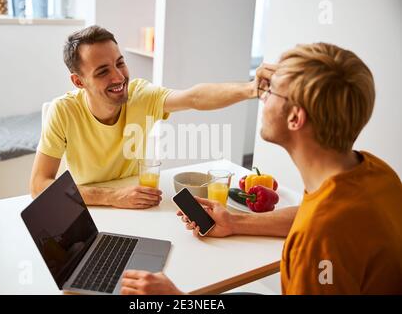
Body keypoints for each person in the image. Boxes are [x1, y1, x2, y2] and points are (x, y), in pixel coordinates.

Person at [120, 42, 402, 295]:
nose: (261, 97)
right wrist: (235, 222)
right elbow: (312, 214)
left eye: (269, 90)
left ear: (295, 117)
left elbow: (320, 227)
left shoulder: (317, 242)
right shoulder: (376, 172)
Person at [30, 25, 273, 209]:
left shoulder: (140, 95)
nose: (118, 77)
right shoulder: (63, 111)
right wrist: (112, 197)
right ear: (78, 81)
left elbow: (193, 98)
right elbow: (39, 185)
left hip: (137, 202)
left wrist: (251, 89)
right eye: (103, 71)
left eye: (120, 63)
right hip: (88, 209)